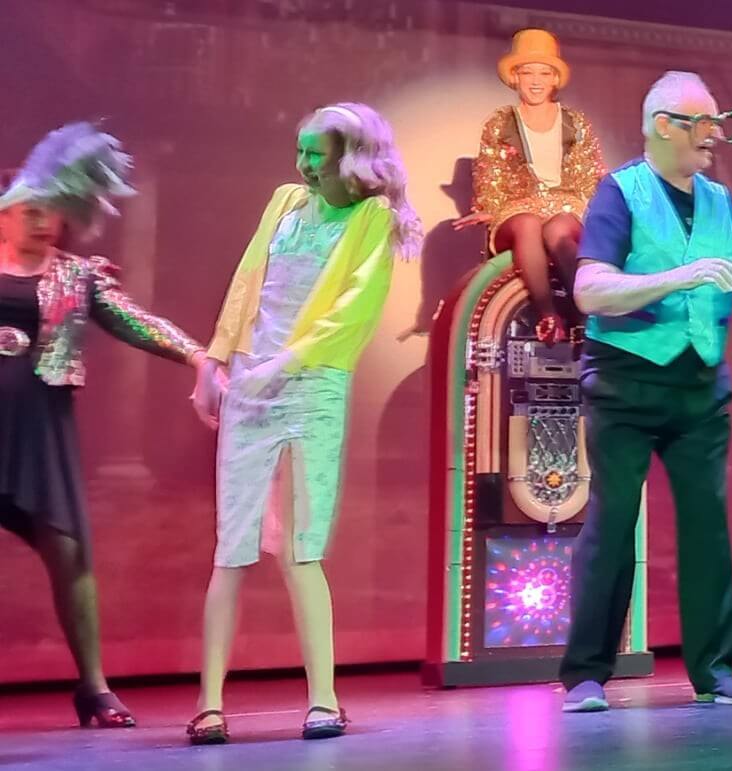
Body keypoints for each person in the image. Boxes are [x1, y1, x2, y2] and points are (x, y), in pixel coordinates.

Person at [186, 102, 421, 744]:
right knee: (232, 546)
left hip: (312, 384)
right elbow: (246, 286)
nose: (304, 165)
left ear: (352, 158)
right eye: (302, 151)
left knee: (300, 546)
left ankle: (324, 698)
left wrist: (284, 364)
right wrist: (215, 361)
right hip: (251, 386)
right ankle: (209, 702)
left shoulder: (370, 217)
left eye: (317, 154)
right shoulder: (285, 203)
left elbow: (354, 309)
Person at [558, 71, 732, 712]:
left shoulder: (720, 200)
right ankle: (586, 674)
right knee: (613, 521)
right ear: (664, 125)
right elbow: (590, 290)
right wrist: (680, 276)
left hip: (698, 389)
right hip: (626, 384)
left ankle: (715, 672)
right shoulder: (621, 191)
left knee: (707, 526)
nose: (715, 136)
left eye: (719, 123)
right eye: (703, 123)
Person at [0, 124, 205, 729]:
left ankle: (93, 687)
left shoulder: (77, 275)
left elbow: (137, 321)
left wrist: (197, 356)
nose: (43, 222)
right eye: (30, 211)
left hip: (40, 433)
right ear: (6, 213)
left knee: (69, 553)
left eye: (52, 212)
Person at [454, 28, 603, 343]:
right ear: (515, 77)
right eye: (527, 72)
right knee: (528, 224)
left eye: (544, 73)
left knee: (558, 229)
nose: (536, 81)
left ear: (554, 79)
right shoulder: (500, 123)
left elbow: (589, 176)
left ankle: (588, 312)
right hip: (517, 208)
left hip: (566, 206)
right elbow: (491, 172)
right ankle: (548, 315)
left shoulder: (575, 123)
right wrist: (490, 209)